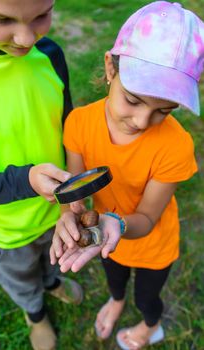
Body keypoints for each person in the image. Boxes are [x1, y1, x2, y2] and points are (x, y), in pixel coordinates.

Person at [50, 1, 204, 349]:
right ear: (109, 67)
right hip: (106, 235)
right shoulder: (79, 123)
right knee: (114, 279)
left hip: (152, 246)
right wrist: (67, 217)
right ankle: (116, 300)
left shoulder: (175, 146)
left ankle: (151, 326)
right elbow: (76, 192)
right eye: (133, 101)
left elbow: (148, 217)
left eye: (163, 111)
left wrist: (116, 225)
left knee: (146, 299)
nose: (142, 121)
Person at [0, 1, 84, 350]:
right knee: (20, 277)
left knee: (54, 259)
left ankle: (52, 285)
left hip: (57, 212)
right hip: (4, 228)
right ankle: (35, 314)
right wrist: (26, 181)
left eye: (41, 15)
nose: (26, 37)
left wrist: (71, 200)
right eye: (2, 19)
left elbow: (68, 126)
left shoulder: (50, 54)